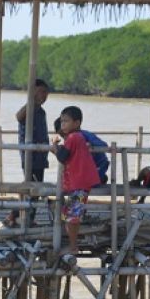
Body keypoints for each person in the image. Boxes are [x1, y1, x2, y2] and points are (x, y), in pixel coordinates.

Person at [50, 105, 100, 263]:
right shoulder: (77, 138)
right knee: (70, 215)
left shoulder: (73, 138)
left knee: (72, 217)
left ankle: (73, 246)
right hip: (77, 183)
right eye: (62, 121)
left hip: (79, 184)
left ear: (77, 123)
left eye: (66, 121)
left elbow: (62, 157)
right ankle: (72, 243)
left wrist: (54, 145)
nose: (63, 124)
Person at [15, 79, 50, 182]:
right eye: (41, 92)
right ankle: (29, 198)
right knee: (30, 181)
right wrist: (31, 101)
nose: (44, 95)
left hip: (41, 153)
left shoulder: (42, 112)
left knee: (39, 181)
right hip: (29, 154)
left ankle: (35, 197)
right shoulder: (28, 109)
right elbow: (18, 117)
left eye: (46, 93)